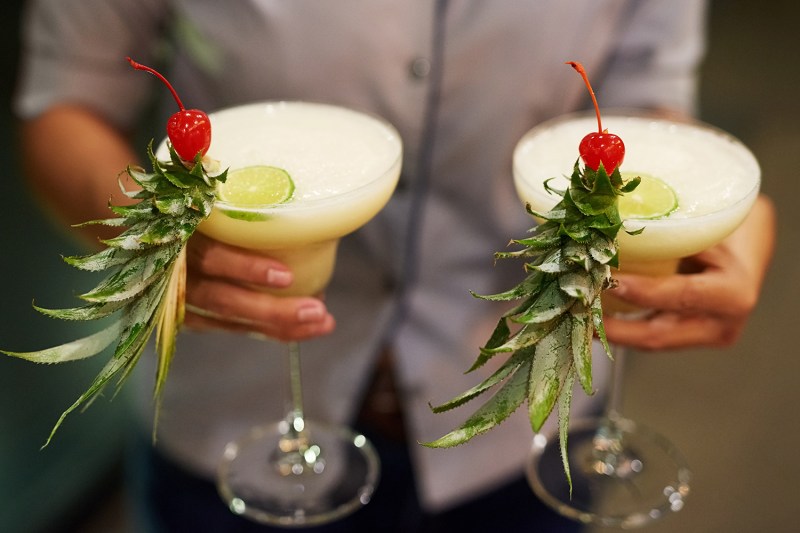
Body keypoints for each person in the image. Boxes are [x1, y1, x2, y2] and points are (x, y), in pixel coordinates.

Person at [13, 1, 775, 531]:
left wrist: (726, 214)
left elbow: (648, 107)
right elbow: (66, 100)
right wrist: (152, 236)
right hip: (229, 421)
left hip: (520, 426)